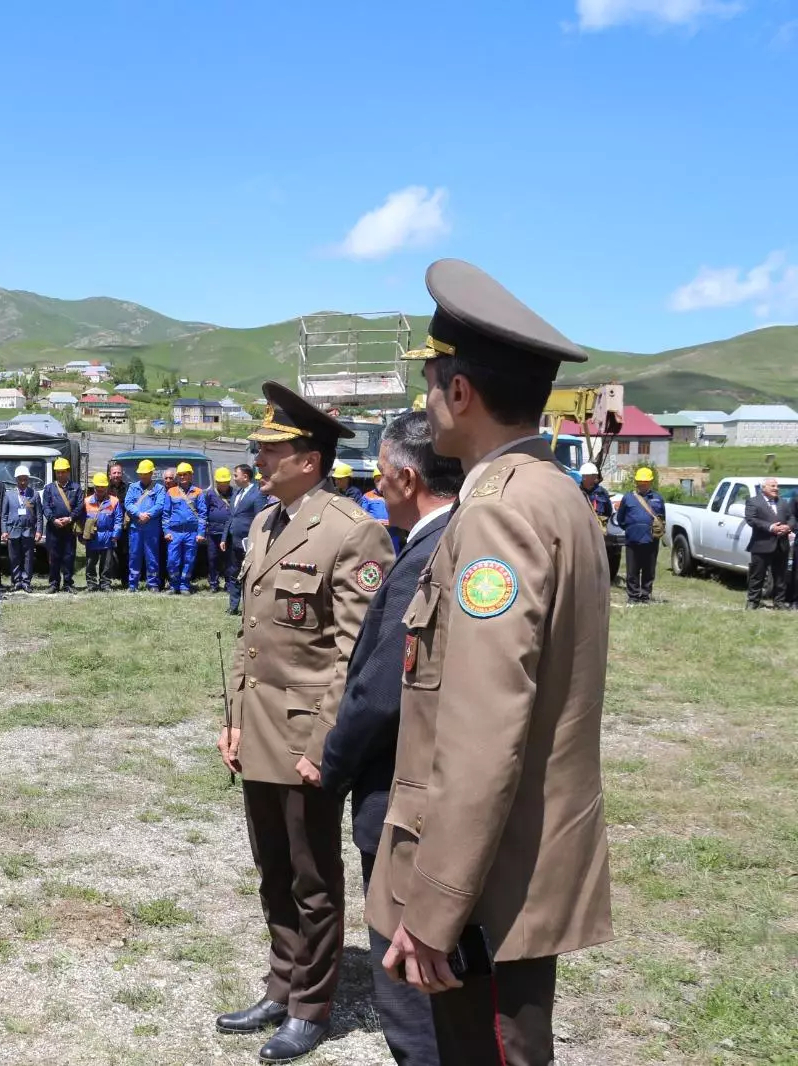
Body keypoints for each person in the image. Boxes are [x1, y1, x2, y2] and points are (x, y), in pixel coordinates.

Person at [368, 259, 613, 1066]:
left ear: (460, 393)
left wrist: (436, 907)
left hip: (486, 887)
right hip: (506, 867)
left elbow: (480, 732)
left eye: (431, 386)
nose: (426, 405)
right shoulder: (553, 491)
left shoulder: (497, 515)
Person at [215, 381, 392, 1063]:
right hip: (258, 727)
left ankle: (311, 1006)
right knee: (272, 868)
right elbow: (249, 636)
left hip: (304, 737)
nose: (258, 459)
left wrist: (324, 745)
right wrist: (232, 719)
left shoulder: (352, 531)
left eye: (271, 449)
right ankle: (281, 984)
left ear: (309, 459)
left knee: (312, 876)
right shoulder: (266, 523)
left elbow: (354, 655)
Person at [319, 412, 462, 1066]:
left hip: (402, 801)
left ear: (407, 477)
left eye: (380, 473)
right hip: (443, 793)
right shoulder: (457, 540)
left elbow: (379, 693)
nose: (376, 485)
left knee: (409, 991)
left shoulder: (426, 557)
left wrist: (330, 766)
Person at [615, 467, 665, 605]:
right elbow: (621, 518)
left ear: (650, 482)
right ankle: (633, 595)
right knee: (632, 570)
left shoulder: (658, 498)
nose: (642, 484)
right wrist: (630, 529)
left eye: (645, 481)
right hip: (633, 539)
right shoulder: (628, 497)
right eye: (640, 481)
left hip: (651, 540)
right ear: (636, 482)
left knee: (649, 569)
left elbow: (662, 518)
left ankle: (645, 595)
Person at [226, 464, 269, 614]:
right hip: (234, 541)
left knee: (250, 575)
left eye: (235, 475)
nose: (233, 478)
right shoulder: (237, 493)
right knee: (233, 573)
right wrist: (225, 537)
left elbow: (260, 519)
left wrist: (257, 540)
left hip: (249, 543)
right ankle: (233, 607)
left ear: (245, 477)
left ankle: (249, 608)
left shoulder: (257, 494)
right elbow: (231, 517)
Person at [745, 476, 790, 610]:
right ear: (763, 488)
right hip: (761, 544)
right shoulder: (753, 502)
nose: (777, 488)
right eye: (773, 486)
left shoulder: (782, 502)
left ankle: (779, 602)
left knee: (780, 577)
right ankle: (753, 602)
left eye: (777, 486)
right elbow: (751, 520)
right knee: (757, 575)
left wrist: (788, 527)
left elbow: (791, 517)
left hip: (781, 545)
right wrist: (771, 527)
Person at [41, 457, 83, 593]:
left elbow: (80, 506)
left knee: (69, 556)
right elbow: (45, 507)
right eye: (58, 472)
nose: (60, 474)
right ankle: (53, 583)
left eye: (63, 472)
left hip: (69, 528)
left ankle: (68, 583)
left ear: (68, 472)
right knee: (53, 557)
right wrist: (53, 520)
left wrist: (70, 519)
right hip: (53, 528)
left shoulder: (76, 488)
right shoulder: (49, 488)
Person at [163, 461, 207, 594]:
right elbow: (166, 514)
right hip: (174, 532)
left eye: (185, 474)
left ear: (190, 475)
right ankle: (174, 584)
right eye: (180, 474)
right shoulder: (171, 491)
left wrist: (201, 533)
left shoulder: (198, 492)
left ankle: (184, 585)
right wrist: (166, 531)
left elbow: (203, 514)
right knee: (172, 560)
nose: (182, 477)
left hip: (191, 532)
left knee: (189, 559)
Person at [125, 460, 167, 591]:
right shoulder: (133, 487)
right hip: (136, 527)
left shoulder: (159, 488)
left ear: (151, 473)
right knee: (134, 555)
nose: (142, 476)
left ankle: (153, 584)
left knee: (152, 556)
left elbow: (160, 505)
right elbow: (128, 503)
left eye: (145, 473)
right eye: (141, 473)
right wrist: (138, 514)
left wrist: (148, 515)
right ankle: (133, 584)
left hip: (151, 528)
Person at [0, 465, 42, 592]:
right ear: (16, 480)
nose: (23, 482)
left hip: (28, 531)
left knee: (28, 558)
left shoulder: (34, 495)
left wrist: (39, 530)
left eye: (25, 479)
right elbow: (4, 515)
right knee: (14, 557)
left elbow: (39, 515)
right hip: (13, 531)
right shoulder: (9, 495)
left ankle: (26, 582)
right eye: (20, 479)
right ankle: (16, 581)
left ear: (28, 479)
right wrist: (4, 531)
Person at [579, 463, 621, 585]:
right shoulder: (576, 491)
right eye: (589, 476)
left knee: (600, 554)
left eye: (594, 476)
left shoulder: (602, 492)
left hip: (598, 528)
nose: (592, 479)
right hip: (582, 528)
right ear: (583, 477)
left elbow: (608, 510)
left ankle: (600, 578)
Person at [81, 472, 121, 591]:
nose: (100, 489)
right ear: (94, 487)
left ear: (106, 487)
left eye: (102, 486)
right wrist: (82, 535)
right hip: (92, 537)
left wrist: (115, 535)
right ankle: (91, 584)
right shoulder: (86, 501)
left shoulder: (114, 501)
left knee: (107, 564)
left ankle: (105, 584)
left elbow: (118, 519)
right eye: (98, 486)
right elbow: (82, 520)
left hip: (108, 537)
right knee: (90, 563)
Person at [201, 467, 233, 593]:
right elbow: (205, 511)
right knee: (213, 559)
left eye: (225, 483)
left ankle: (229, 583)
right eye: (221, 483)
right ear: (216, 482)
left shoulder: (234, 493)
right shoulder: (210, 494)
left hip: (229, 532)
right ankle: (213, 583)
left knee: (229, 560)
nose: (223, 485)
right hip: (213, 533)